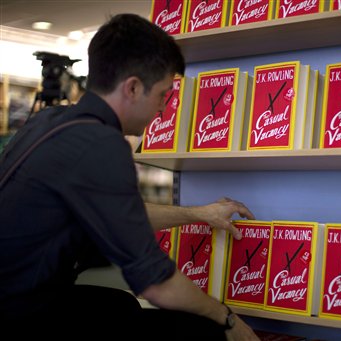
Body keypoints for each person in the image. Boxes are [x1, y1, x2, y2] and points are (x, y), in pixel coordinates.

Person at [0, 13, 260, 340]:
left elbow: (121, 213)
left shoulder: (49, 120)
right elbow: (155, 283)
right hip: (21, 312)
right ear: (134, 88)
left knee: (119, 305)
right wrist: (228, 319)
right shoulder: (102, 145)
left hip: (19, 295)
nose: (164, 109)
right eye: (164, 94)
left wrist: (200, 215)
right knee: (204, 328)